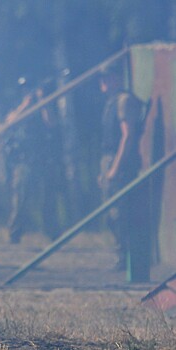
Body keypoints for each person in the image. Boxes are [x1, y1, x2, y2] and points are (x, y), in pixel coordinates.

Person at [4, 77, 67, 244]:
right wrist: (26, 104)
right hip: (23, 161)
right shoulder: (18, 108)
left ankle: (53, 233)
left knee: (48, 199)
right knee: (21, 199)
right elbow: (10, 122)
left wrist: (43, 102)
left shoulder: (45, 107)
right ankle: (15, 233)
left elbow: (52, 123)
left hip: (43, 160)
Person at [97, 65, 145, 271]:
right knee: (111, 213)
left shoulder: (124, 101)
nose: (104, 83)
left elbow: (127, 135)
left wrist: (116, 167)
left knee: (119, 213)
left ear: (117, 78)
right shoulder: (111, 102)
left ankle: (125, 257)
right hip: (108, 158)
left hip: (120, 161)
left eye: (108, 78)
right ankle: (121, 254)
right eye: (102, 79)